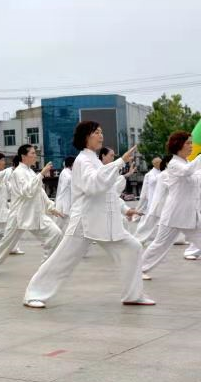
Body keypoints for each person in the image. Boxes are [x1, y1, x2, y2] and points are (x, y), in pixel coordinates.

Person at [22, 121, 153, 308]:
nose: (101, 135)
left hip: (103, 221)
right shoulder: (82, 160)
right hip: (84, 221)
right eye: (96, 132)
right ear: (86, 136)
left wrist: (126, 209)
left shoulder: (95, 160)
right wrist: (120, 162)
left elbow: (107, 192)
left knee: (132, 248)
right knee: (62, 259)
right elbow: (93, 186)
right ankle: (33, 294)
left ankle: (133, 295)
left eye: (101, 132)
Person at [0, 145, 63, 275]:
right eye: (32, 153)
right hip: (19, 215)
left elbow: (39, 192)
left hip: (35, 214)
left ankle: (46, 267)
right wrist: (41, 174)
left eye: (35, 153)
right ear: (24, 156)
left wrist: (51, 207)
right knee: (6, 243)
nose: (35, 155)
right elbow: (27, 192)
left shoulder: (30, 172)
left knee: (55, 234)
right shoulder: (18, 172)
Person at [138, 131, 201, 280]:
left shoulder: (186, 163)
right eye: (188, 143)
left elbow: (195, 178)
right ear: (178, 145)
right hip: (174, 214)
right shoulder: (173, 163)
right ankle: (139, 270)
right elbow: (187, 172)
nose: (191, 146)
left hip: (188, 215)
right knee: (159, 244)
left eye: (191, 143)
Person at [133, 156, 171, 244]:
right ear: (154, 163)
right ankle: (139, 237)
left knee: (164, 220)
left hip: (164, 200)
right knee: (148, 220)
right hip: (152, 200)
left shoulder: (165, 173)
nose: (160, 163)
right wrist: (142, 202)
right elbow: (144, 190)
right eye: (158, 162)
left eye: (161, 162)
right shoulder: (149, 175)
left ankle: (161, 238)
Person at [54, 157, 75, 231]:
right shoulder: (65, 173)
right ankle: (50, 240)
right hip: (63, 203)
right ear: (72, 163)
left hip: (66, 202)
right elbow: (63, 190)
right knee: (58, 225)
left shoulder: (69, 172)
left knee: (62, 224)